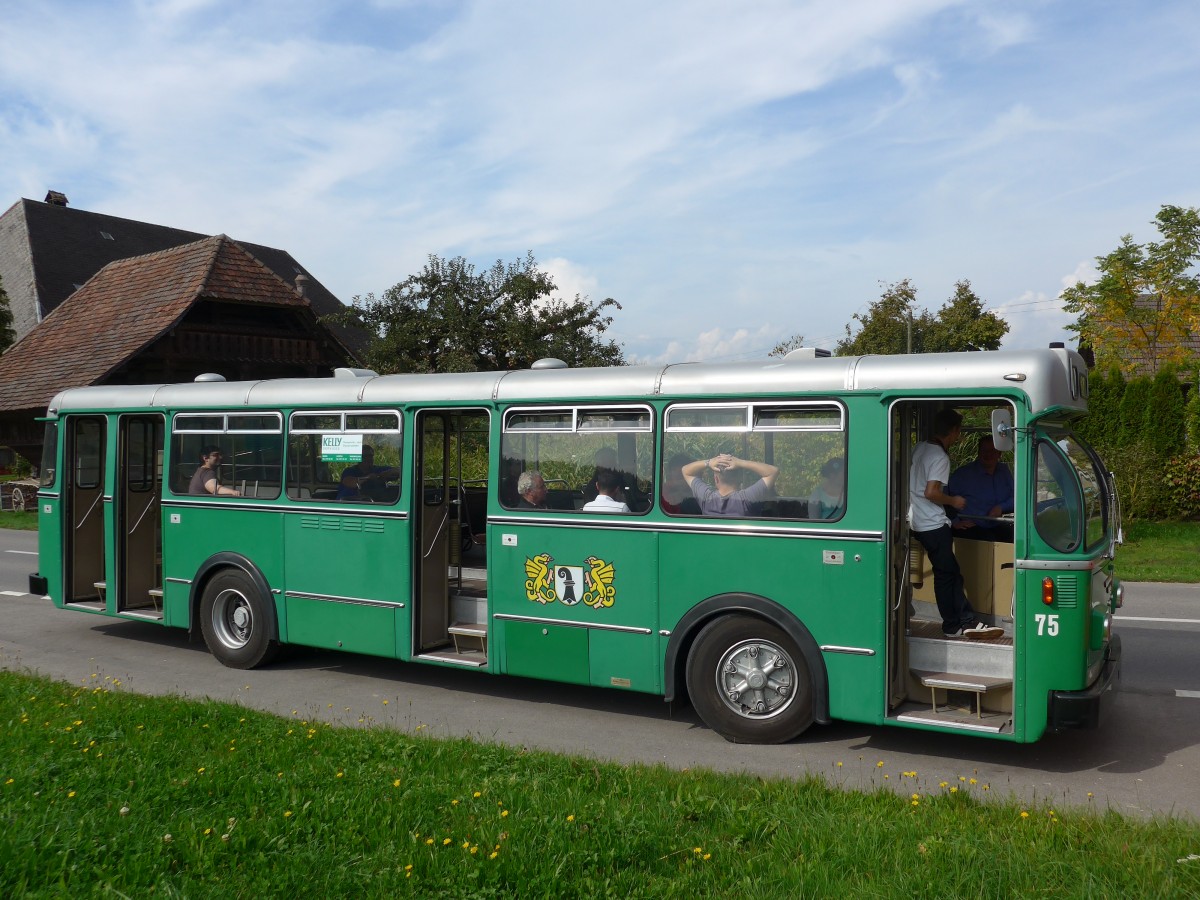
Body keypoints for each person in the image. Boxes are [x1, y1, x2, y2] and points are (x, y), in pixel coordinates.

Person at [909, 409, 1002, 639]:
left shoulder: (919, 448)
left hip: (917, 522)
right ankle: (956, 624)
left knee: (950, 574)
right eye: (959, 431)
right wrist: (954, 501)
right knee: (947, 575)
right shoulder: (940, 457)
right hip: (933, 525)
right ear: (954, 431)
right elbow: (931, 492)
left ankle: (960, 622)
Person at [948, 436, 1014, 541]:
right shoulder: (963, 474)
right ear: (979, 453)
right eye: (984, 451)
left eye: (992, 451)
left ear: (999, 454)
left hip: (997, 524)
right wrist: (954, 521)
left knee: (1019, 538)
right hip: (972, 527)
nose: (988, 454)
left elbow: (1016, 498)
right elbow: (943, 499)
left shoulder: (1004, 471)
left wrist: (1001, 507)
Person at [681, 451, 778, 517]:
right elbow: (773, 471)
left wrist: (709, 462)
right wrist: (741, 463)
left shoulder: (705, 497)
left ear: (716, 479)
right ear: (740, 478)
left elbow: (685, 470)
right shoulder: (747, 498)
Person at [581, 447, 647, 510]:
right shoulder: (591, 489)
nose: (615, 464)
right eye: (608, 462)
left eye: (614, 461)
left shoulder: (624, 479)